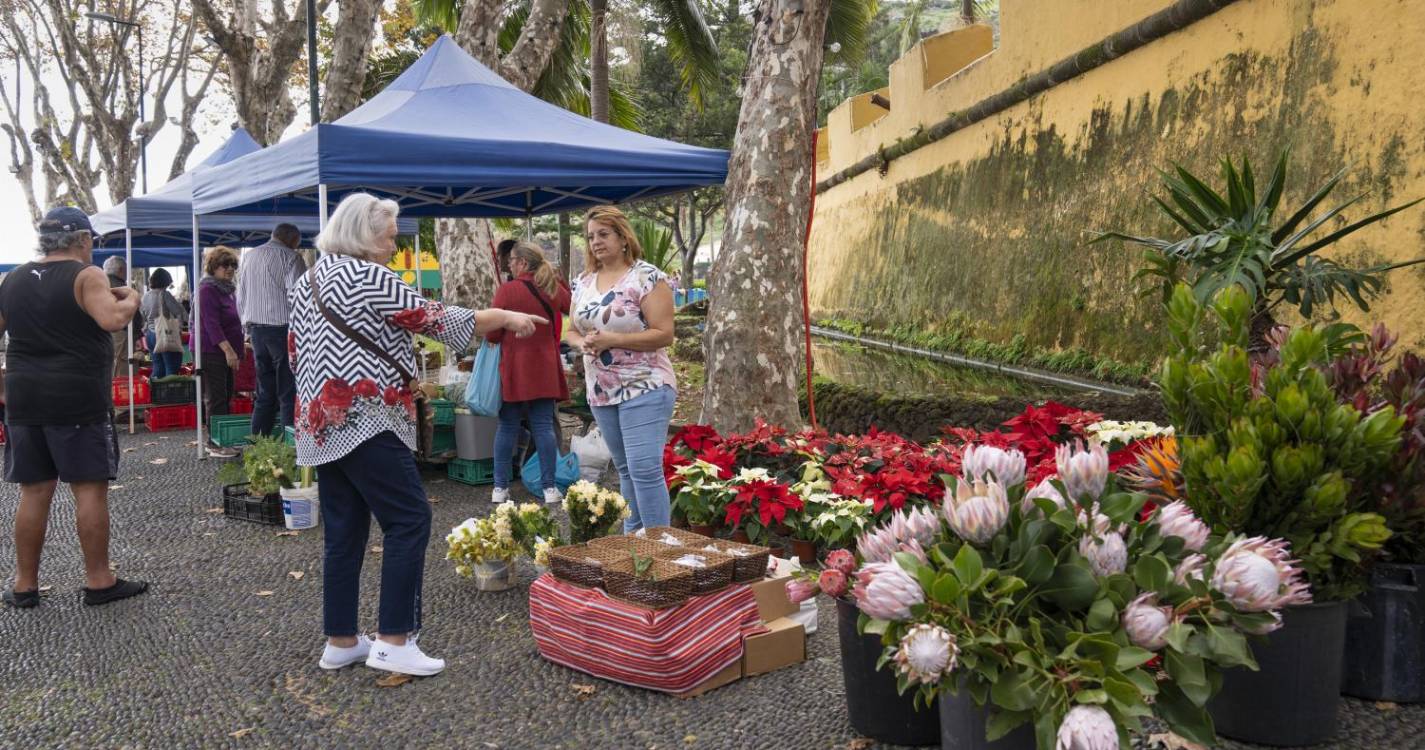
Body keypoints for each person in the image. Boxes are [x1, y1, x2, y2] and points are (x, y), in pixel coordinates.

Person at [291, 193, 541, 677]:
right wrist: (508, 317)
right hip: (368, 419)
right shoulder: (368, 275)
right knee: (409, 521)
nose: (392, 246)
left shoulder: (308, 281)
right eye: (387, 237)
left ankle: (342, 640)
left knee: (343, 535)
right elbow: (439, 320)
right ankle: (393, 639)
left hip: (320, 425)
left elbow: (297, 353)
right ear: (363, 235)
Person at [0, 207, 148, 608]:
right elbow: (113, 319)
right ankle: (99, 581)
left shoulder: (11, 279)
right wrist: (132, 295)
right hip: (75, 394)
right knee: (88, 488)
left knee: (34, 491)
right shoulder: (87, 275)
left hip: (24, 394)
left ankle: (24, 584)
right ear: (82, 239)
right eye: (92, 241)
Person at [564, 206, 677, 533]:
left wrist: (611, 339)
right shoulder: (583, 282)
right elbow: (572, 330)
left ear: (623, 238)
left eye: (603, 234)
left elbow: (664, 334)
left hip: (645, 386)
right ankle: (633, 542)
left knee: (644, 469)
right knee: (626, 470)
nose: (596, 242)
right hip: (601, 390)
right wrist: (580, 343)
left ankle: (659, 549)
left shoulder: (647, 277)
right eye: (590, 236)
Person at [488, 242, 571, 505]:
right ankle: (549, 489)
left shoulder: (507, 291)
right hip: (545, 366)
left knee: (508, 426)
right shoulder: (551, 287)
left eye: (512, 260)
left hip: (514, 367)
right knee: (543, 426)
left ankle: (500, 488)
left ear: (523, 263)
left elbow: (492, 332)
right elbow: (575, 310)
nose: (509, 265)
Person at [237, 223, 306, 437]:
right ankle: (290, 448)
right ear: (293, 240)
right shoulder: (291, 258)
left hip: (256, 330)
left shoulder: (249, 257)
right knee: (288, 391)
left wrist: (246, 329)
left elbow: (241, 296)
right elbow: (299, 296)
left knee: (264, 391)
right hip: (282, 329)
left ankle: (258, 444)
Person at [196, 246, 243, 459]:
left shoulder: (228, 289)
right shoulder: (207, 289)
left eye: (233, 265)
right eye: (225, 265)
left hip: (225, 351)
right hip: (212, 350)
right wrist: (228, 350)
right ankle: (215, 443)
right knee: (216, 398)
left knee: (225, 395)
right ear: (214, 266)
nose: (230, 269)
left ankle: (223, 440)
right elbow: (211, 324)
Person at [141, 268, 185, 380]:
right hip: (164, 334)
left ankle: (154, 392)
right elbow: (178, 311)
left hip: (150, 335)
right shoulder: (164, 294)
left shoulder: (145, 296)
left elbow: (143, 315)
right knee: (171, 366)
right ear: (165, 281)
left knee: (158, 366)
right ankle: (169, 394)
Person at [102, 255, 140, 378]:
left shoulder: (101, 285)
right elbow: (132, 311)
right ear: (120, 270)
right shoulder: (120, 288)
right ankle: (123, 396)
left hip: (107, 334)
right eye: (125, 270)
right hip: (122, 334)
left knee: (112, 367)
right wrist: (137, 334)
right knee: (123, 371)